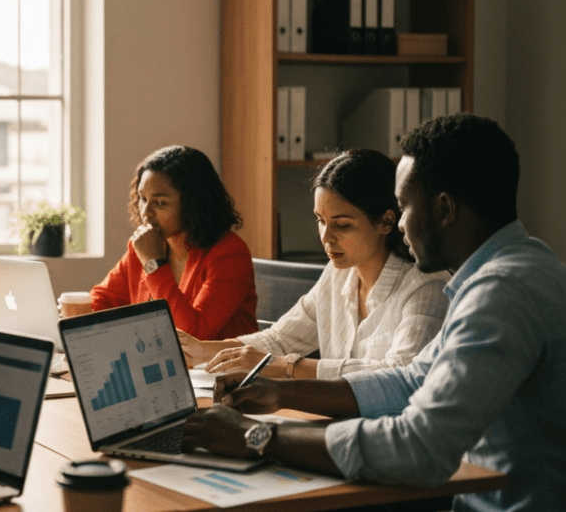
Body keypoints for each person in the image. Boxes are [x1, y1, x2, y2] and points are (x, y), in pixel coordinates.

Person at [181, 114, 566, 512]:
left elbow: (418, 448)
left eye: (403, 207)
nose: (399, 225)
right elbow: (410, 381)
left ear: (445, 209)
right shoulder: (515, 269)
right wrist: (280, 392)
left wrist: (256, 436)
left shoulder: (501, 293)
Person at [177, 149, 448, 379]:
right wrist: (203, 350)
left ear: (387, 221)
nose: (326, 237)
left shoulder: (427, 287)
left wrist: (284, 366)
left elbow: (398, 374)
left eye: (342, 225)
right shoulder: (338, 274)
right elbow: (280, 339)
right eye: (321, 220)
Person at [90, 145, 258, 340]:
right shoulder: (144, 245)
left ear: (193, 204)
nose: (145, 212)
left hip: (220, 369)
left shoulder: (229, 254)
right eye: (143, 199)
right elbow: (102, 300)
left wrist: (154, 266)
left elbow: (193, 335)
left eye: (160, 203)